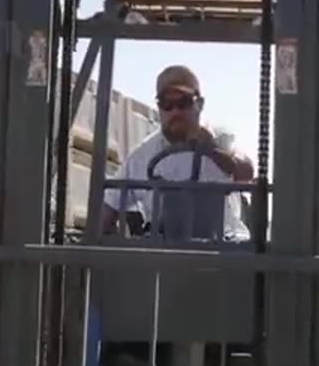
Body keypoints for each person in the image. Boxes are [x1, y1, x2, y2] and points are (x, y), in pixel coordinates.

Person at [101, 65, 254, 239]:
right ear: (159, 108)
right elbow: (106, 212)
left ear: (200, 104)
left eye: (183, 102)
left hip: (221, 246)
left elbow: (246, 172)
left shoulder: (221, 139)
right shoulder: (143, 155)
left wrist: (212, 149)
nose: (175, 111)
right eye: (167, 104)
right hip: (165, 253)